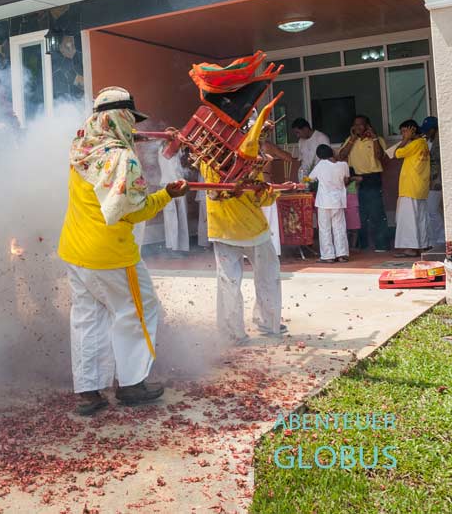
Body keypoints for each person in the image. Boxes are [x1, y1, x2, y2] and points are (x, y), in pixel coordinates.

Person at [58, 87, 188, 415]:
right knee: (138, 311)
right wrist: (168, 194)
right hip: (111, 256)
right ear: (121, 119)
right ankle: (132, 384)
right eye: (130, 120)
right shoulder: (122, 160)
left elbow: (113, 140)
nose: (134, 128)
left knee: (87, 318)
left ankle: (89, 392)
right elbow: (134, 210)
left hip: (75, 251)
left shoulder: (81, 147)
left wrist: (148, 139)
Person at [202, 151, 286, 344]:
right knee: (268, 277)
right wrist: (273, 185)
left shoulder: (207, 162)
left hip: (222, 229)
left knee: (228, 282)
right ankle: (268, 322)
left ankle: (232, 333)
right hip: (253, 229)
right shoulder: (249, 163)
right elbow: (262, 199)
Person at [338, 115, 389, 252]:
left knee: (376, 211)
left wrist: (374, 138)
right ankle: (363, 244)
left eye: (361, 124)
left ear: (368, 125)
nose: (358, 127)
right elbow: (341, 156)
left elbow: (380, 157)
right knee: (359, 212)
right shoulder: (350, 140)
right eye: (355, 124)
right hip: (355, 178)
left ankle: (382, 244)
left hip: (372, 178)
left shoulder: (376, 140)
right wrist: (352, 139)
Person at [393, 119, 430, 257]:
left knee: (408, 219)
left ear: (412, 129)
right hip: (420, 187)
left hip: (410, 187)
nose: (403, 134)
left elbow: (396, 153)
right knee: (420, 219)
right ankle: (422, 245)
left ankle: (410, 248)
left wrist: (406, 140)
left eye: (404, 131)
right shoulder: (423, 143)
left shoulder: (415, 143)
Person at [308, 144, 350, 263]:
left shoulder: (321, 165)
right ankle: (342, 254)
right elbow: (346, 180)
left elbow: (310, 178)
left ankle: (328, 256)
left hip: (324, 202)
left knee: (324, 229)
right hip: (338, 201)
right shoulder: (343, 165)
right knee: (339, 227)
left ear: (319, 156)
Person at [157, 141, 189, 254]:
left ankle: (182, 247)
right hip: (167, 186)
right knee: (171, 218)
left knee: (181, 217)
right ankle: (172, 248)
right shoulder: (162, 150)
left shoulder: (176, 151)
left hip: (179, 184)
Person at [421, 116, 444, 250]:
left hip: (436, 181)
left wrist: (433, 180)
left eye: (428, 130)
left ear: (434, 129)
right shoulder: (428, 141)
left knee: (432, 210)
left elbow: (437, 163)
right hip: (430, 181)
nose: (425, 133)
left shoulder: (439, 142)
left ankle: (441, 239)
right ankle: (435, 240)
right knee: (433, 211)